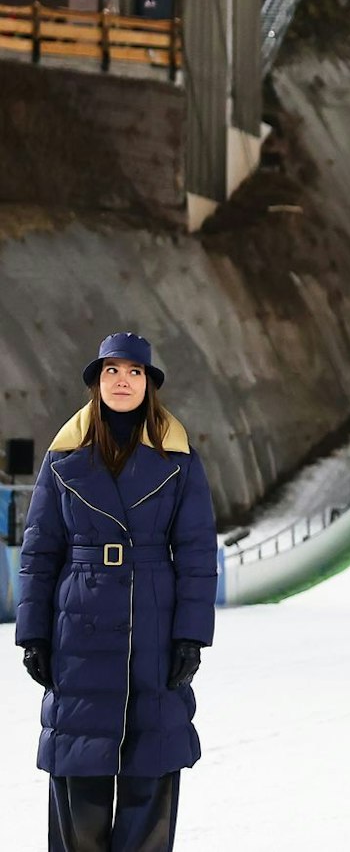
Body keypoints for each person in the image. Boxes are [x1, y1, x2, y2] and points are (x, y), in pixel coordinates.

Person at [15, 333, 217, 851]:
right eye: (111, 371)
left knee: (151, 765)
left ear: (148, 383)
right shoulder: (63, 458)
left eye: (133, 371)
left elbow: (196, 553)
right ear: (96, 382)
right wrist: (33, 634)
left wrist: (190, 637)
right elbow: (39, 550)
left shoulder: (179, 459)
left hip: (153, 622)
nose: (122, 381)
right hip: (77, 625)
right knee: (78, 765)